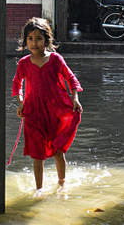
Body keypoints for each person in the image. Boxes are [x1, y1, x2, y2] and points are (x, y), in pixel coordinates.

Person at [12, 17, 83, 191]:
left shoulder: (56, 60)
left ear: (46, 40)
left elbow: (72, 79)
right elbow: (16, 83)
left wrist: (75, 98)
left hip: (56, 111)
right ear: (25, 41)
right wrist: (20, 102)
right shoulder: (23, 63)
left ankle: (62, 185)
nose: (34, 43)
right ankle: (39, 190)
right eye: (30, 38)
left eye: (38, 38)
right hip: (33, 113)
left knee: (58, 152)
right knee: (38, 155)